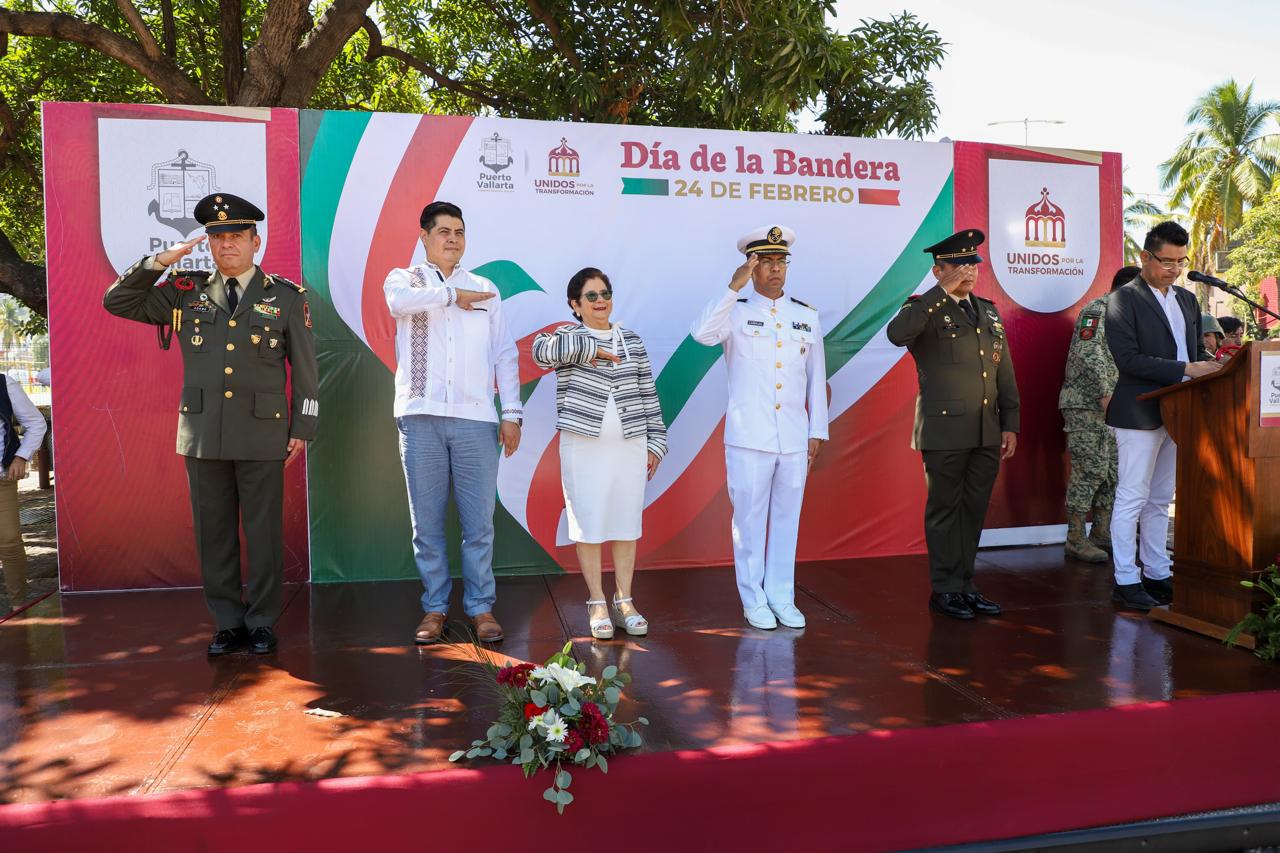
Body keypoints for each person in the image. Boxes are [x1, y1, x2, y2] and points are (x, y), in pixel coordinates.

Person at [104, 193, 318, 655]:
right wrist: (161, 260)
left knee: (263, 535)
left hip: (263, 433)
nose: (226, 245)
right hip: (203, 433)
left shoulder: (284, 296)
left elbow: (306, 370)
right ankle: (227, 622)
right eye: (218, 237)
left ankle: (261, 620)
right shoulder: (186, 290)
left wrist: (303, 426)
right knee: (213, 533)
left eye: (236, 236)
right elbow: (117, 301)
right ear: (210, 244)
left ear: (255, 242)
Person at [384, 201, 522, 645]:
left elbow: (504, 353)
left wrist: (512, 413)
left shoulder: (484, 288)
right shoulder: (405, 280)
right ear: (424, 236)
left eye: (459, 231)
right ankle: (435, 608)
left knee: (478, 524)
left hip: (476, 420)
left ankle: (481, 608)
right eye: (442, 231)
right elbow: (396, 304)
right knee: (426, 525)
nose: (452, 239)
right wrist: (448, 295)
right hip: (420, 417)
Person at [691, 225, 828, 630]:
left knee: (788, 518)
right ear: (751, 268)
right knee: (749, 521)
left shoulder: (805, 316)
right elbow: (700, 335)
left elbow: (816, 378)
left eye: (780, 262)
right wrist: (732, 288)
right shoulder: (733, 312)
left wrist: (816, 430)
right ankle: (753, 599)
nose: (774, 270)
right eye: (764, 262)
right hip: (749, 436)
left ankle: (782, 596)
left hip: (792, 435)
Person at [886, 229, 1020, 620]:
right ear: (937, 270)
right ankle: (944, 588)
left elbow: (1004, 373)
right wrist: (939, 292)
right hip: (944, 430)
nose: (969, 272)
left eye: (972, 264)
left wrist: (1010, 422)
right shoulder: (923, 308)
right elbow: (897, 335)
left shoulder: (989, 311)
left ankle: (965, 585)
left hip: (986, 430)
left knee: (974, 510)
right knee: (945, 510)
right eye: (958, 266)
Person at [532, 268, 667, 639]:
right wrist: (590, 346)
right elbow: (539, 353)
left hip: (631, 445)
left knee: (626, 523)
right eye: (590, 296)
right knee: (588, 522)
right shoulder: (566, 337)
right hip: (583, 448)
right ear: (575, 304)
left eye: (604, 293)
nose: (600, 300)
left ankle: (624, 601)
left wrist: (656, 442)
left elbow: (648, 394)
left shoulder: (631, 340)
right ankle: (596, 601)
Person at [1105, 221, 1220, 611]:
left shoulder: (1187, 301)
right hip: (1139, 410)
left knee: (1159, 499)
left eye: (1180, 261)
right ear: (1145, 257)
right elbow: (1129, 360)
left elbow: (1193, 353)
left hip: (1179, 410)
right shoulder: (1124, 300)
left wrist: (1215, 365)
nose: (1173, 268)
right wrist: (1187, 369)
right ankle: (1125, 578)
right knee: (1132, 496)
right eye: (1166, 260)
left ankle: (1157, 571)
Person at [1058, 265, 1138, 563]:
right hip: (1088, 405)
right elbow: (1090, 355)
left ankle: (1101, 532)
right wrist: (1106, 395)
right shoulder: (1099, 310)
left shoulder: (1129, 315)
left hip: (1118, 406)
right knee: (1090, 470)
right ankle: (1075, 538)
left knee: (1112, 474)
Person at [0, 375, 47, 612]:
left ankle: (18, 603)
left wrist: (21, 456)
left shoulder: (4, 384)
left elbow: (36, 423)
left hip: (2, 479)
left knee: (8, 540)